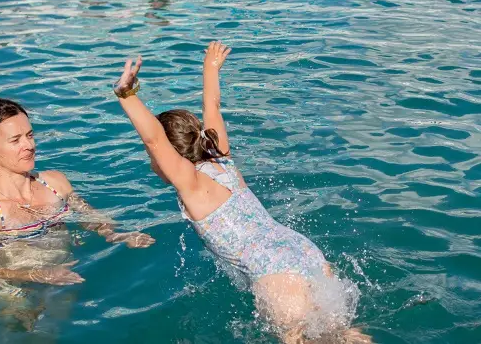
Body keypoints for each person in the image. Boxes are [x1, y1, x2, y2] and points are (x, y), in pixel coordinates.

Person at [111, 43, 367, 343]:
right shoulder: (221, 158)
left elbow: (155, 140)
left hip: (275, 273)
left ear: (172, 156)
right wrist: (210, 67)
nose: (151, 162)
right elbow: (212, 108)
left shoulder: (191, 184)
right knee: (343, 336)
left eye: (151, 157)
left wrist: (126, 95)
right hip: (305, 253)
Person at [0, 98, 154, 328]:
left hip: (63, 278)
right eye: (15, 140)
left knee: (52, 332)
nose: (28, 146)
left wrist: (116, 235)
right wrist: (35, 275)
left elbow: (92, 218)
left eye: (29, 135)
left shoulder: (56, 184)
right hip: (12, 290)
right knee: (26, 335)